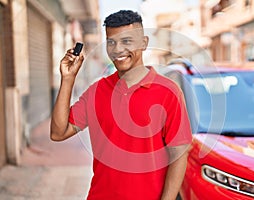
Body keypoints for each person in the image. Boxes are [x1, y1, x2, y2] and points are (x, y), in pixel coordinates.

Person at [50, 10, 192, 200]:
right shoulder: (97, 91)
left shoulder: (168, 91)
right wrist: (67, 79)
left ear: (144, 43)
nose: (117, 49)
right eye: (111, 42)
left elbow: (179, 154)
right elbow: (58, 133)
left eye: (126, 41)